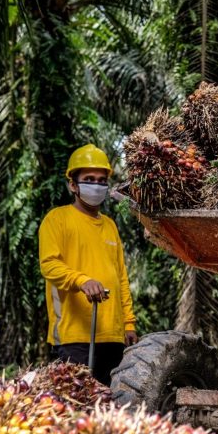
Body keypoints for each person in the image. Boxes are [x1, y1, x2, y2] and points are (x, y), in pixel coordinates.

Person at [39, 144, 139, 386]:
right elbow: (49, 265)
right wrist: (82, 281)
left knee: (108, 405)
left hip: (113, 335)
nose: (96, 185)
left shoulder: (110, 226)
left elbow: (120, 277)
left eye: (102, 180)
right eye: (89, 179)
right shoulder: (57, 219)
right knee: (77, 403)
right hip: (74, 336)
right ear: (73, 184)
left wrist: (128, 322)